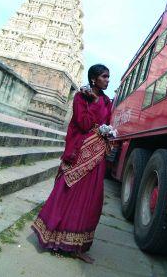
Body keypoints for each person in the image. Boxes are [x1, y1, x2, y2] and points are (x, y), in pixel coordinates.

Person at [31, 64, 112, 264]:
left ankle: (77, 245)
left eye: (109, 77)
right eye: (104, 77)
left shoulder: (107, 101)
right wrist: (92, 102)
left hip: (96, 156)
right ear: (94, 79)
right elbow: (83, 124)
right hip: (80, 154)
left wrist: (108, 133)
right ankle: (55, 239)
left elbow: (106, 125)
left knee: (90, 200)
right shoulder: (81, 97)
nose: (108, 80)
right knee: (70, 195)